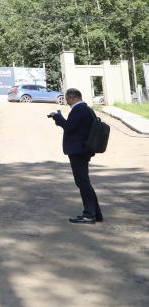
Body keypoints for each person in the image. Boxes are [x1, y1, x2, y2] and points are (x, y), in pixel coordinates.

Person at [50, 88, 103, 224]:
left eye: (67, 99)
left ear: (72, 97)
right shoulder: (87, 109)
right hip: (83, 150)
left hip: (78, 151)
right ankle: (95, 213)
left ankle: (89, 214)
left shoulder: (78, 109)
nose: (67, 102)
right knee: (84, 182)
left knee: (82, 182)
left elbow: (69, 126)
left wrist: (56, 117)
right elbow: (74, 127)